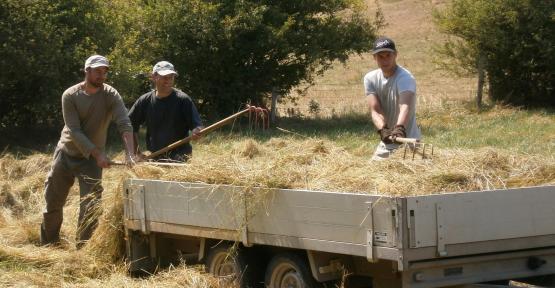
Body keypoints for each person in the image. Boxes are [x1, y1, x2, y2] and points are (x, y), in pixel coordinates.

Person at [41, 55, 136, 247]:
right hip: (66, 153)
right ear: (87, 71)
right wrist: (98, 154)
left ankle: (84, 249)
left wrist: (130, 154)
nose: (102, 75)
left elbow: (124, 124)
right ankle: (48, 244)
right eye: (98, 71)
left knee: (90, 206)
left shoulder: (111, 95)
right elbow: (74, 130)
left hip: (90, 161)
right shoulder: (70, 95)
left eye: (105, 71)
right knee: (53, 201)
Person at [128, 61, 203, 162]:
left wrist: (197, 131)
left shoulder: (183, 100)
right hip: (154, 157)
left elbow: (197, 126)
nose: (168, 81)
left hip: (180, 157)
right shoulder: (145, 101)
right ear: (154, 77)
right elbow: (129, 126)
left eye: (171, 77)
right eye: (164, 77)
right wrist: (136, 152)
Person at [363, 37, 421, 160]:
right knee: (372, 175)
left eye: (388, 55)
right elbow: (375, 110)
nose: (385, 60)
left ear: (395, 55)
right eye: (380, 56)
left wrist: (399, 128)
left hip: (408, 141)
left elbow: (404, 106)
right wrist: (383, 130)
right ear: (375, 58)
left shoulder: (405, 78)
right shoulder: (370, 78)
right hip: (388, 142)